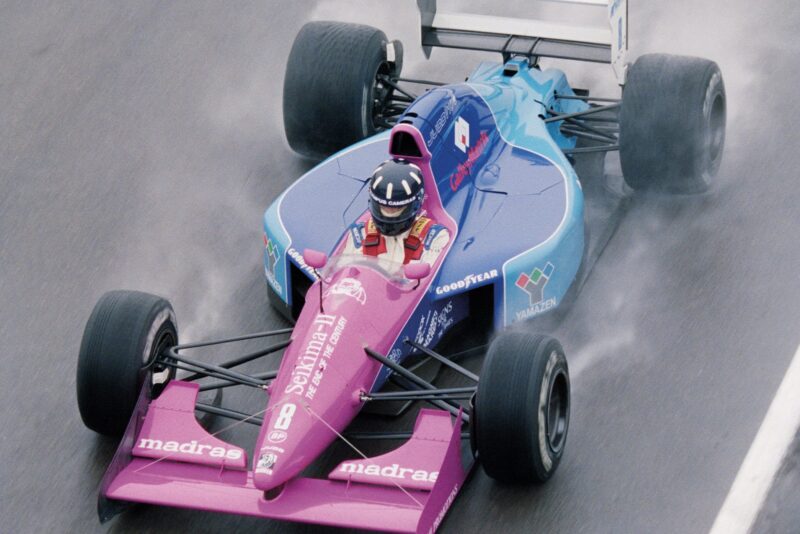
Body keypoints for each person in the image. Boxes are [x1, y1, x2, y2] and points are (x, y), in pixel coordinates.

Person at [343, 158, 449, 266]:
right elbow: (344, 276)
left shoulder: (434, 238)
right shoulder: (359, 235)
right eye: (383, 206)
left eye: (396, 208)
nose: (389, 212)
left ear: (414, 203)